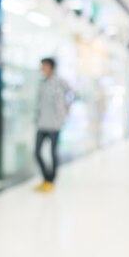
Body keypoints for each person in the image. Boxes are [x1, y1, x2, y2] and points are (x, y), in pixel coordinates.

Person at [34, 58, 72, 192]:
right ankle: (46, 178)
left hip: (55, 125)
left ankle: (51, 181)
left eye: (43, 66)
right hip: (42, 124)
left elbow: (70, 94)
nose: (42, 68)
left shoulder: (59, 82)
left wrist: (65, 112)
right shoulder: (42, 83)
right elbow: (39, 103)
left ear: (50, 66)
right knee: (37, 152)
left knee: (52, 152)